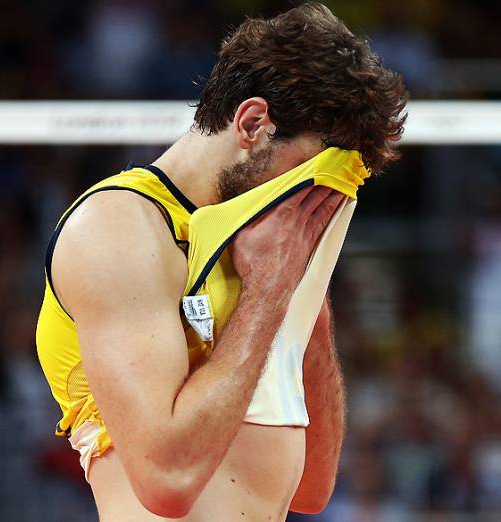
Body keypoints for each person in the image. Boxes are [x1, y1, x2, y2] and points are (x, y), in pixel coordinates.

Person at [35, 3, 407, 520]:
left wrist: (309, 311)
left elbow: (311, 489)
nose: (309, 198)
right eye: (306, 173)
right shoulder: (117, 227)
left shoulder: (264, 251)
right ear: (253, 123)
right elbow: (168, 480)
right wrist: (268, 293)